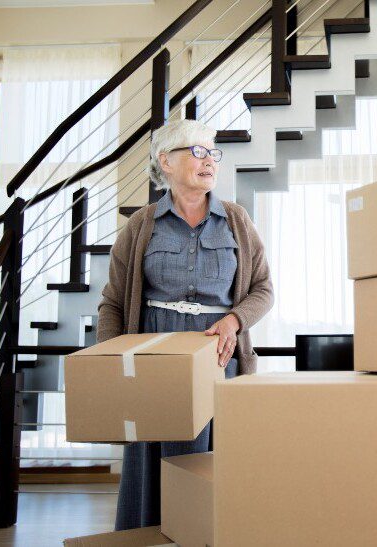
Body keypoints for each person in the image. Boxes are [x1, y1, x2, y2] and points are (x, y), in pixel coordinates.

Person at [96, 118, 274, 530]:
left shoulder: (236, 220)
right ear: (166, 162)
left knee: (207, 463)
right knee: (151, 462)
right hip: (151, 359)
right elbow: (112, 302)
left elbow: (263, 289)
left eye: (213, 152)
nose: (209, 160)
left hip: (217, 357)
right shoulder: (141, 224)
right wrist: (110, 363)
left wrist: (234, 320)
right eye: (196, 151)